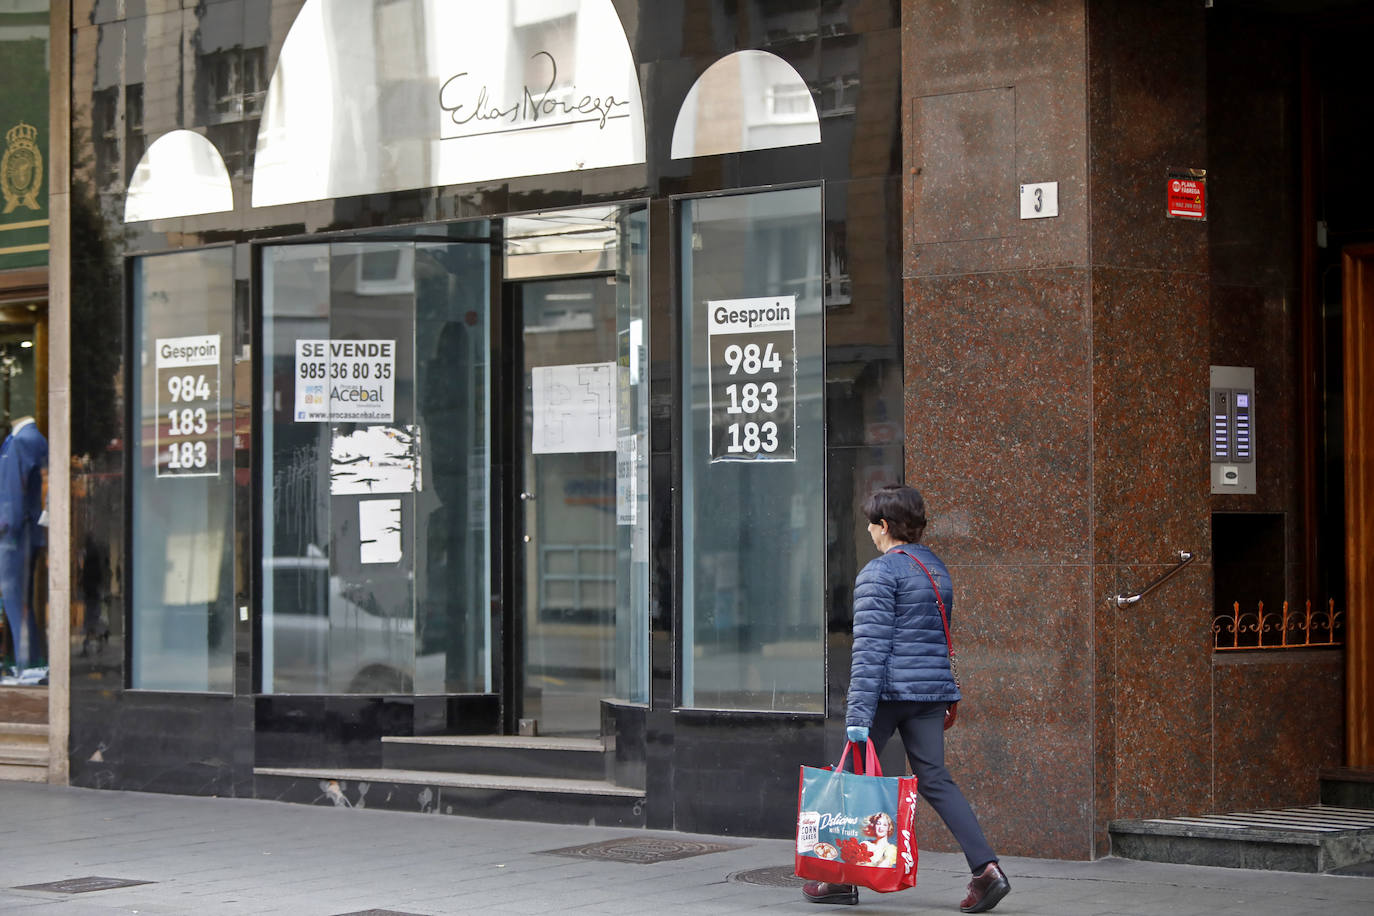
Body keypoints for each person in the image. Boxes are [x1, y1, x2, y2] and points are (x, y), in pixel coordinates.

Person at [802, 484, 1010, 913]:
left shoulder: (879, 573)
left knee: (853, 782)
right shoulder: (935, 567)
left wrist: (858, 714)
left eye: (871, 523)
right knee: (936, 779)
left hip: (890, 694)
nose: (868, 530)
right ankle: (987, 870)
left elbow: (869, 650)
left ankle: (839, 879)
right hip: (931, 693)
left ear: (884, 526)